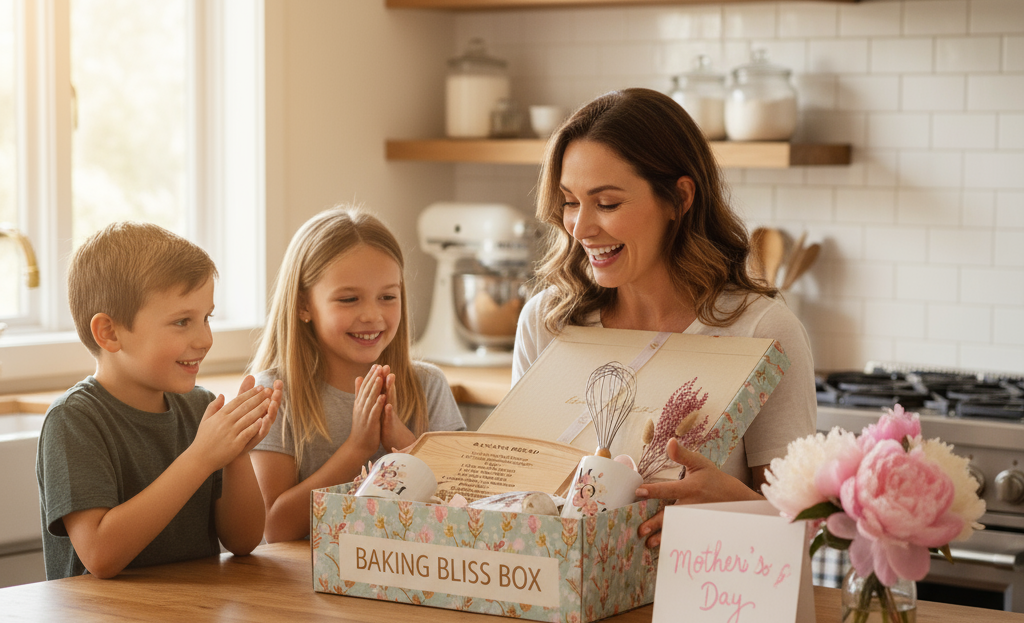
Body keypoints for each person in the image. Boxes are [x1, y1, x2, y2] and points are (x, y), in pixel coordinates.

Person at [36, 221, 281, 623]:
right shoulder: (75, 422)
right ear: (108, 331)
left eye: (207, 317)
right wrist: (203, 455)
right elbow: (101, 554)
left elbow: (246, 538)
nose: (205, 338)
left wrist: (238, 447)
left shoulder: (196, 409)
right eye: (182, 321)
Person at [512, 88, 816, 548]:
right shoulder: (548, 322)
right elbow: (514, 490)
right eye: (570, 201)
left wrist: (733, 503)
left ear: (679, 198)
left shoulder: (762, 332)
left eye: (608, 203)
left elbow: (804, 528)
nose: (580, 227)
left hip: (705, 605)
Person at [251, 205, 465, 542]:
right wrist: (357, 449)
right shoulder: (274, 395)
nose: (372, 315)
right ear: (304, 305)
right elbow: (275, 528)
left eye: (387, 296)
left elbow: (466, 508)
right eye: (349, 299)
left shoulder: (428, 386)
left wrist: (405, 446)